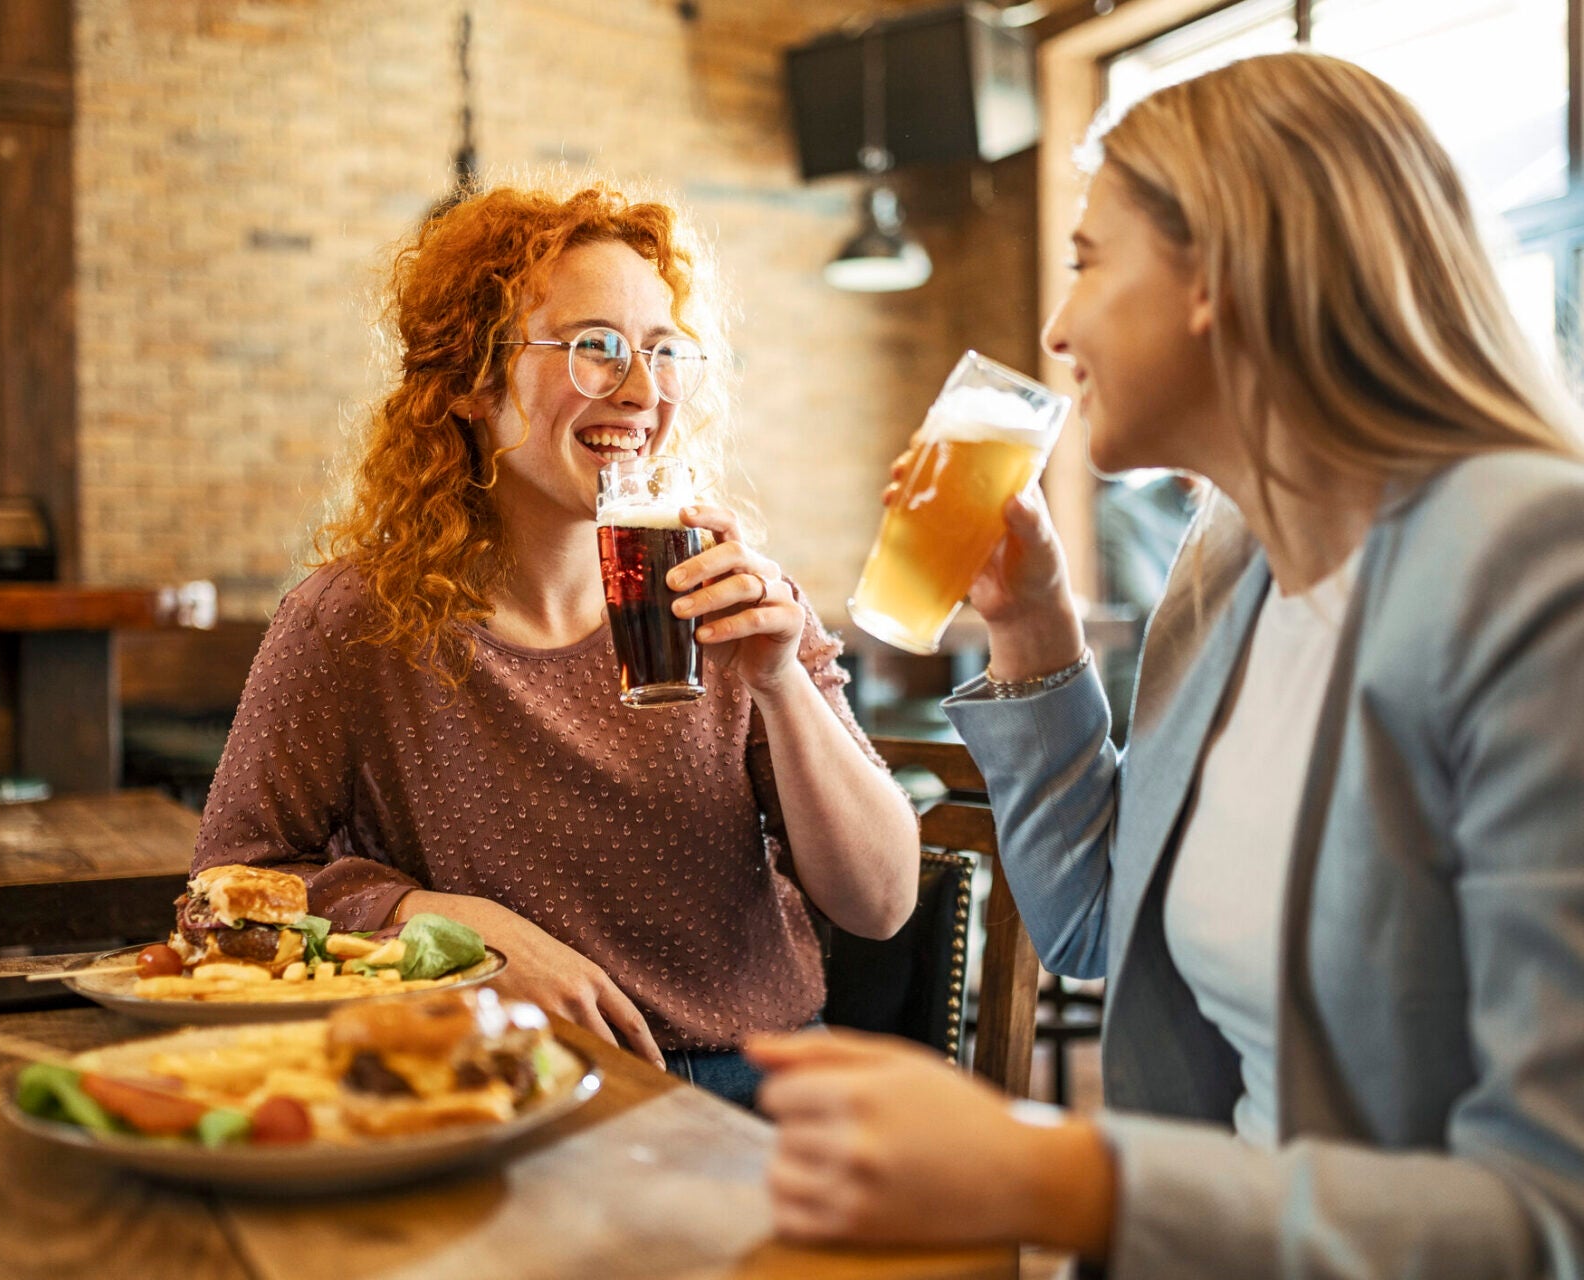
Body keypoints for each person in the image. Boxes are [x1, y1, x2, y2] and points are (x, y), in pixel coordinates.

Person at [749, 51, 1584, 1274]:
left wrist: (1055, 1170)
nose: (1055, 325)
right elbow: (1094, 921)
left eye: (1087, 259)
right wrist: (1032, 626)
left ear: (1221, 276)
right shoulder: (1232, 553)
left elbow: (1547, 1214)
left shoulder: (1531, 566)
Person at [193, 180, 919, 1108]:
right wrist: (451, 931)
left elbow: (883, 903)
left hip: (760, 1087)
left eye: (662, 352)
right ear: (467, 379)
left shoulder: (734, 594)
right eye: (595, 349)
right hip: (497, 1089)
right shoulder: (353, 620)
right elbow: (227, 882)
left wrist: (781, 683)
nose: (644, 392)